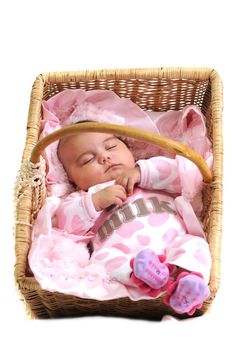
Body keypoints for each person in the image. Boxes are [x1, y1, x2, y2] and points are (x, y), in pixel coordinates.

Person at [55, 128, 211, 315]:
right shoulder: (84, 197)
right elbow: (65, 223)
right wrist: (95, 201)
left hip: (174, 239)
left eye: (111, 147)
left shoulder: (148, 171)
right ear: (72, 179)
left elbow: (185, 177)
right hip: (126, 255)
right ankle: (143, 276)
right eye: (87, 160)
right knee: (101, 261)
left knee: (195, 244)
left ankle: (191, 281)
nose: (104, 157)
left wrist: (142, 172)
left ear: (129, 149)